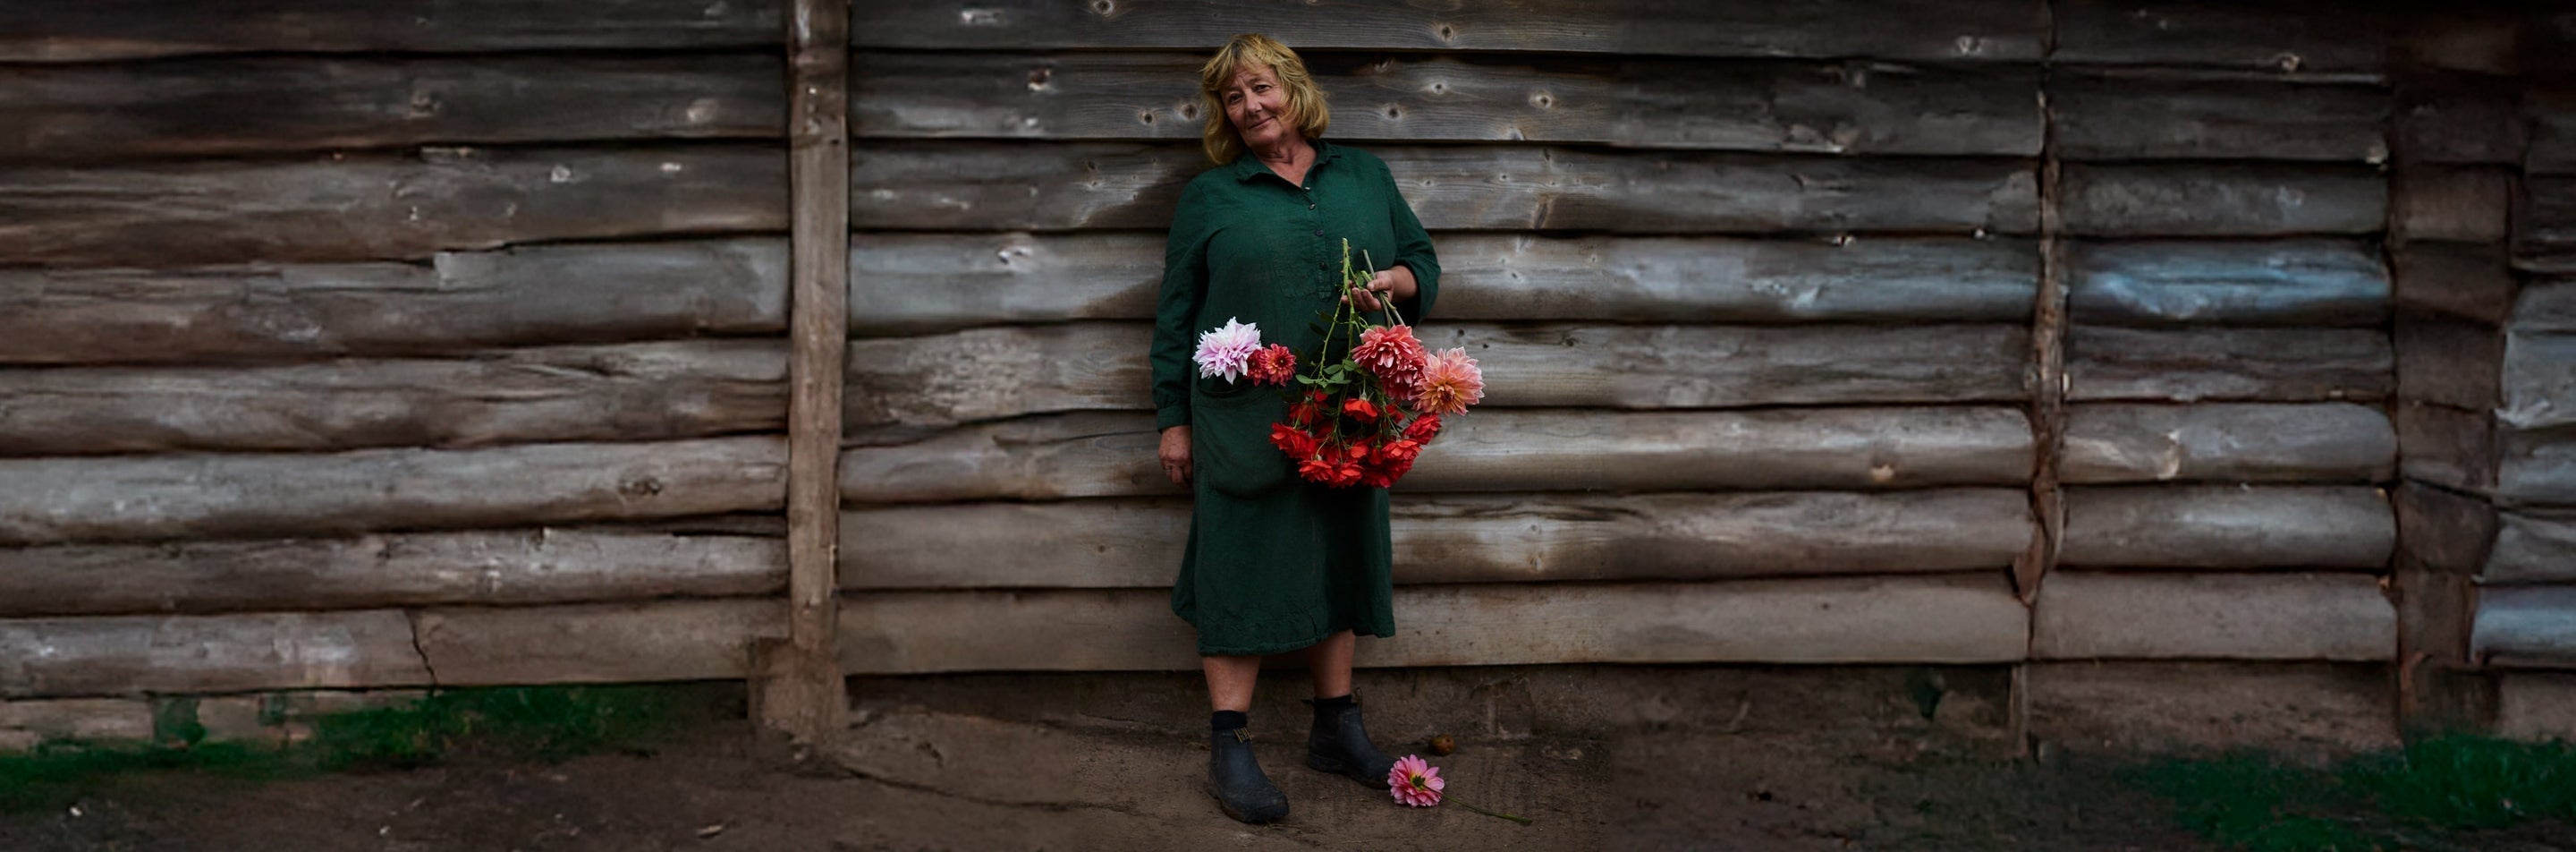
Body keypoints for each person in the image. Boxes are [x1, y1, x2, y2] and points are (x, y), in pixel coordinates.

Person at [1148, 33, 1440, 824]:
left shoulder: (1365, 176)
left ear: (1293, 90)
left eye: (1259, 89)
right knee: (1234, 566)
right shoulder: (1213, 197)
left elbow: (1424, 264)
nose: (1248, 108)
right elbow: (1175, 318)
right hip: (1242, 420)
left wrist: (1393, 282)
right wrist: (1173, 422)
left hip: (1347, 412)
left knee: (1339, 554)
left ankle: (1336, 728)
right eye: (1232, 99)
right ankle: (1230, 742)